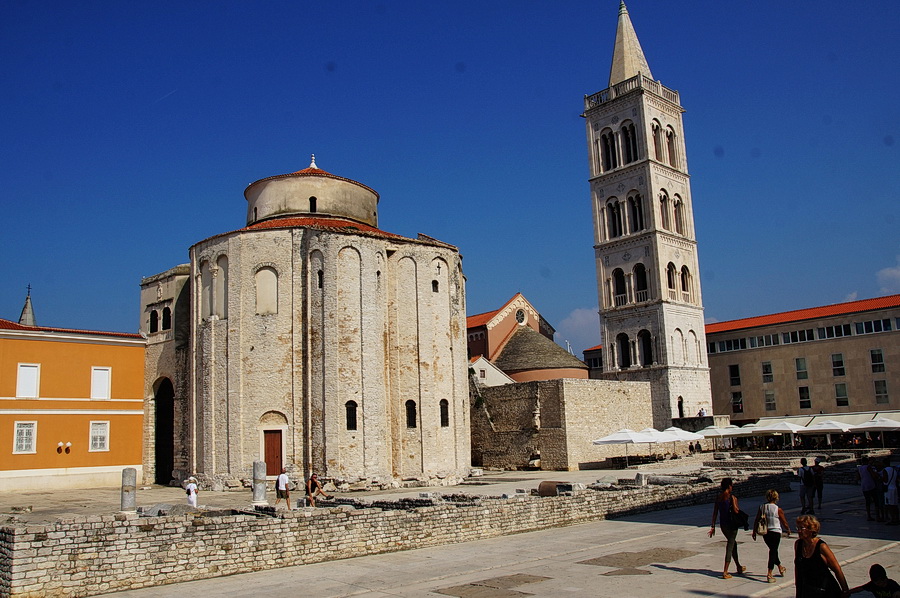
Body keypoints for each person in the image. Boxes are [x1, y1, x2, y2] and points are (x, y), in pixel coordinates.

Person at [794, 514, 849, 598]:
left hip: (826, 591)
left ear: (811, 529)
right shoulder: (798, 544)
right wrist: (798, 589)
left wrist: (845, 590)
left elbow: (837, 569)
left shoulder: (821, 546)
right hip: (808, 590)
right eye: (798, 528)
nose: (799, 531)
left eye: (802, 528)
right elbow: (798, 568)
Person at [708, 477, 747, 579]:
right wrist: (735, 501)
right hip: (732, 524)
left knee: (733, 544)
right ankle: (725, 571)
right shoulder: (730, 497)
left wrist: (713, 526)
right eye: (731, 485)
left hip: (723, 525)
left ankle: (738, 566)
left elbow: (715, 513)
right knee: (730, 545)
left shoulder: (718, 497)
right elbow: (736, 511)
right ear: (729, 486)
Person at [751, 488, 791, 583]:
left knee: (773, 550)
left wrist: (754, 531)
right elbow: (784, 521)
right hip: (776, 532)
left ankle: (780, 567)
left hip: (766, 533)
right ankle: (769, 573)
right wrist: (788, 529)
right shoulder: (778, 509)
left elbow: (757, 519)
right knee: (773, 551)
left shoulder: (762, 507)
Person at [858, 457, 879, 521]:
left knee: (867, 501)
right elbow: (873, 475)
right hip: (871, 485)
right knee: (876, 501)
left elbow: (858, 477)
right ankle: (878, 516)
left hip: (864, 485)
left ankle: (869, 515)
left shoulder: (859, 468)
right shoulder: (868, 467)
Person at [883, 460, 899, 526]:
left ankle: (892, 519)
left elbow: (885, 479)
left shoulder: (885, 470)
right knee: (895, 504)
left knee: (890, 505)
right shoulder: (894, 469)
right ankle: (897, 518)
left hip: (888, 489)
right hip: (894, 487)